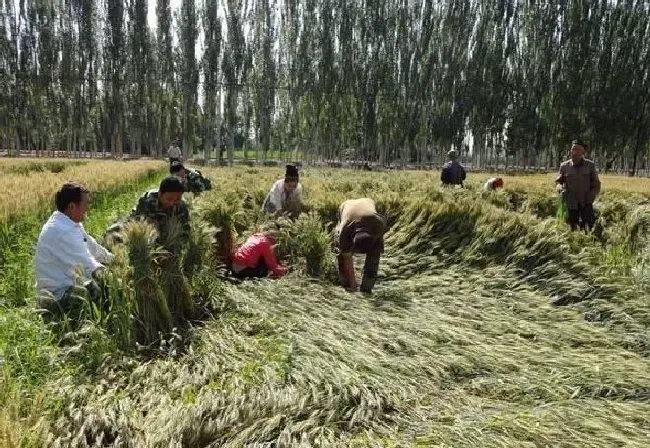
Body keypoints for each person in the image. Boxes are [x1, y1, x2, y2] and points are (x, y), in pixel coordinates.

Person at [35, 182, 114, 319]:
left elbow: (93, 248)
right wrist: (117, 279)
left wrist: (113, 259)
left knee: (104, 275)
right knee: (98, 288)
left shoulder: (69, 223)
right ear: (72, 206)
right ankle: (100, 327)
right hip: (56, 298)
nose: (88, 208)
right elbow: (89, 266)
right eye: (86, 204)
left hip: (66, 285)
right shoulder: (61, 231)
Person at [105, 176, 190, 250]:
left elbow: (185, 230)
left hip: (166, 226)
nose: (172, 203)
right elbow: (140, 225)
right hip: (144, 224)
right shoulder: (148, 200)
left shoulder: (181, 205)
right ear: (160, 194)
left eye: (177, 199)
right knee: (113, 231)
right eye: (169, 199)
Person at [335, 198, 387, 294]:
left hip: (368, 203)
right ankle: (347, 285)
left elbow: (375, 254)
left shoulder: (378, 223)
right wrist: (353, 284)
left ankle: (366, 289)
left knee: (375, 254)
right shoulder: (344, 231)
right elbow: (347, 259)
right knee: (341, 255)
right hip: (345, 206)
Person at [556, 139, 601, 231]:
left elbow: (596, 184)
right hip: (571, 202)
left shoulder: (590, 165)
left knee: (588, 228)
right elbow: (558, 182)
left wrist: (592, 195)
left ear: (583, 152)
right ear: (570, 151)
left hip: (586, 201)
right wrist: (560, 188)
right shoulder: (564, 166)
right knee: (571, 228)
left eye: (578, 150)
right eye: (573, 150)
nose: (575, 153)